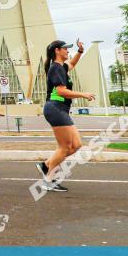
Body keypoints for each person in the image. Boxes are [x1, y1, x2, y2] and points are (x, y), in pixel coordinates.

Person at [36, 39, 95, 192]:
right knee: (64, 147)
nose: (68, 51)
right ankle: (48, 180)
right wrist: (83, 94)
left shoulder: (61, 67)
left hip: (61, 109)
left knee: (76, 145)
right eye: (65, 48)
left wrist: (80, 51)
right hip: (55, 108)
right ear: (57, 50)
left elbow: (73, 64)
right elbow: (61, 91)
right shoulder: (55, 68)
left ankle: (46, 165)